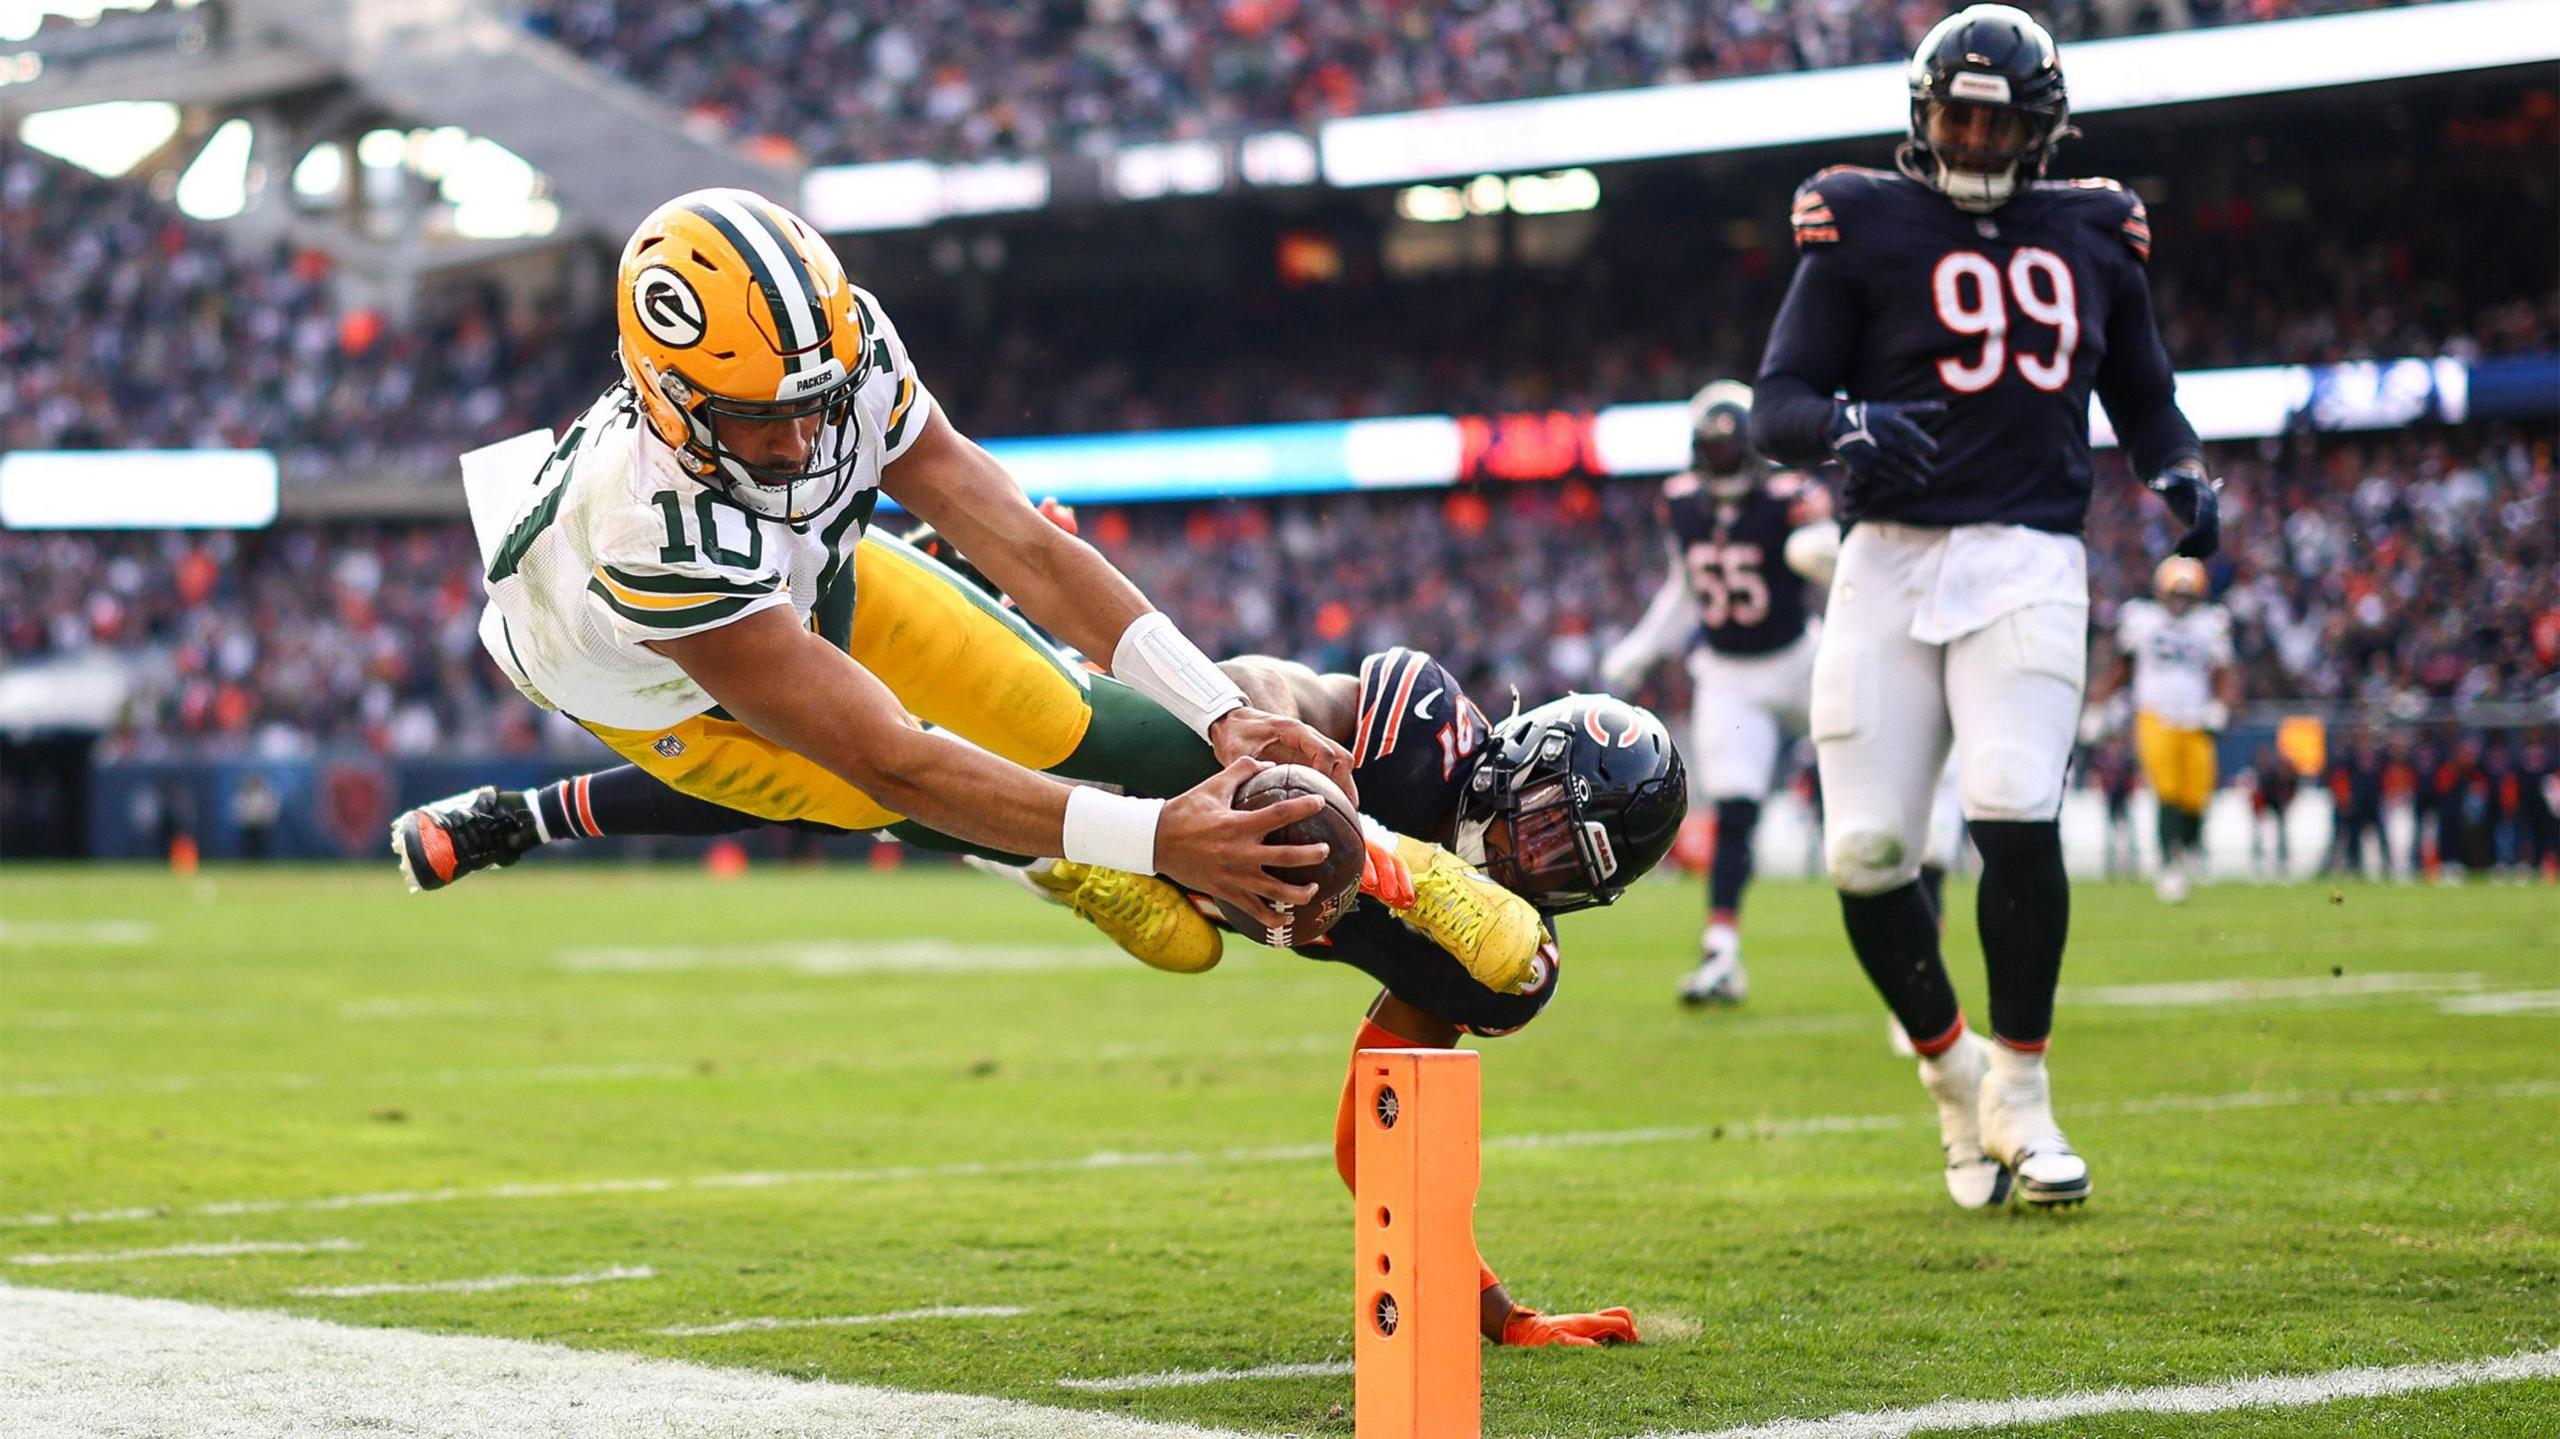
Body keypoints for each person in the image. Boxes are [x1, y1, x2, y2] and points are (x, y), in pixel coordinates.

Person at [397, 186, 1513, 979]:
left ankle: (1398, 874)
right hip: (667, 688)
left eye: (812, 405)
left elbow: (1023, 542)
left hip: (815, 578)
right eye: (756, 419)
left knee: (1091, 722)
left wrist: (1218, 710)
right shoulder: (646, 525)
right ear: (668, 395)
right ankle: (1046, 856)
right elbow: (893, 753)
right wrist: (1149, 841)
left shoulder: (850, 348)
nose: (795, 444)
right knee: (882, 789)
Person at [1751, 5, 2220, 1210]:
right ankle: (1950, 1071)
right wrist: (1848, 425)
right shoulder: (1856, 216)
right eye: (1955, 113)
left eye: (1994, 117)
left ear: (2039, 127)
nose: (1970, 134)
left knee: (2013, 805)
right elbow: (1779, 403)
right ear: (1922, 114)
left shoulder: (2097, 229)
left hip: (2026, 556)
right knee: (1863, 855)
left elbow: (2148, 397)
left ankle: (2022, 1086)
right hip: (1887, 558)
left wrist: (2178, 469)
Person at [995, 654, 1687, 1347]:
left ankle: (1059, 865)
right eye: (1542, 833)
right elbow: (1257, 680)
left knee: (1183, 940)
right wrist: (1371, 841)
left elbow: (1372, 1143)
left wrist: (1505, 1317)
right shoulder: (1423, 732)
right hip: (1120, 741)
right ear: (1522, 763)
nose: (1530, 868)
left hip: (1181, 873)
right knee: (980, 722)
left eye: (1566, 870)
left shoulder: (1497, 959)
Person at [1601, 380, 1833, 1007]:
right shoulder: (1682, 502)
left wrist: (1827, 555)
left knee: (1867, 774)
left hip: (1799, 659)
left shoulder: (1790, 496)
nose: (1720, 460)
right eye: (1711, 449)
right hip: (1728, 673)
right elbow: (1682, 588)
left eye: (1730, 450)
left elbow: (1841, 562)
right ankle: (1721, 953)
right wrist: (1643, 646)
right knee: (1734, 811)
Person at [2087, 556, 2237, 903]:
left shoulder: (2210, 624)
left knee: (2197, 794)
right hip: (2155, 714)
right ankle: (2170, 865)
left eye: (2187, 594)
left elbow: (2224, 671)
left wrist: (2221, 705)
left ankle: (2186, 851)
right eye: (2175, 593)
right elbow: (2122, 669)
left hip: (2196, 717)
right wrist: (2099, 703)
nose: (2180, 600)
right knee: (2167, 790)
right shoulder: (2142, 620)